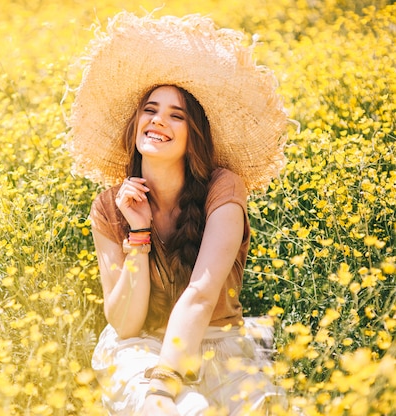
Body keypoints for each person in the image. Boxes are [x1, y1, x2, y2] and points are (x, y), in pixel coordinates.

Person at [68, 11, 290, 416]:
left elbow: (201, 295)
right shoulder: (108, 207)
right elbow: (125, 324)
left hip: (218, 344)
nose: (158, 121)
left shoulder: (223, 189)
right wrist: (138, 234)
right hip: (141, 349)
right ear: (136, 123)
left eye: (176, 115)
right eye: (150, 109)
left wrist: (165, 382)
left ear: (194, 135)